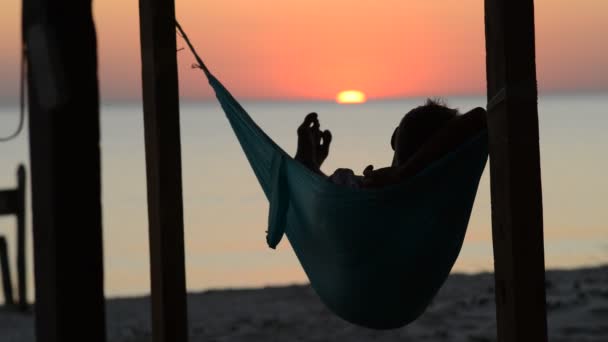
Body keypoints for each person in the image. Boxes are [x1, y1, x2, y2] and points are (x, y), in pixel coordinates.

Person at [294, 99, 487, 188]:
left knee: (342, 185)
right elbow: (477, 120)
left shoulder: (377, 192)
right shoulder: (442, 193)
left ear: (395, 139)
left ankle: (307, 167)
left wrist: (403, 173)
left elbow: (479, 117)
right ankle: (308, 168)